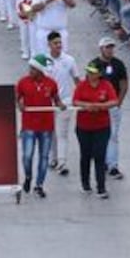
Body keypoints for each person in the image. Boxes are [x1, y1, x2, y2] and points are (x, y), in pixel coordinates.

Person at [17, 54, 65, 198]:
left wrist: (60, 105)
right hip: (29, 126)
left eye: (33, 68)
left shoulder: (51, 83)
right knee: (27, 156)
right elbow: (18, 98)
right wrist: (20, 104)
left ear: (40, 70)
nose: (30, 71)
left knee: (44, 157)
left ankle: (39, 184)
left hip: (46, 126)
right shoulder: (22, 82)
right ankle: (28, 177)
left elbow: (56, 99)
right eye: (30, 68)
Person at [73, 62, 118, 198]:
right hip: (84, 127)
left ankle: (101, 187)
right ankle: (85, 184)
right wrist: (87, 105)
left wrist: (101, 106)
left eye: (93, 72)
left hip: (102, 127)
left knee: (100, 156)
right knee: (85, 155)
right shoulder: (82, 85)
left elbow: (114, 101)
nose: (90, 75)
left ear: (99, 74)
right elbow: (75, 101)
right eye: (89, 72)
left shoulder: (106, 86)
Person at [90, 36, 129, 179]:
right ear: (101, 49)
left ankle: (113, 165)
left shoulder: (118, 64)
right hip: (99, 107)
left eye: (112, 47)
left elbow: (123, 83)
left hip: (112, 105)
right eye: (107, 47)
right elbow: (89, 83)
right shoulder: (94, 64)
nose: (110, 50)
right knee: (99, 135)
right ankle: (102, 161)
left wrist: (119, 101)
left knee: (113, 135)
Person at [44, 31, 79, 176]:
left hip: (65, 102)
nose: (59, 45)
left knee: (62, 133)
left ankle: (62, 162)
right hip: (47, 102)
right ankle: (54, 158)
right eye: (55, 43)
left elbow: (77, 80)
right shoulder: (43, 61)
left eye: (60, 42)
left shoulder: (69, 60)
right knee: (51, 132)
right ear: (49, 45)